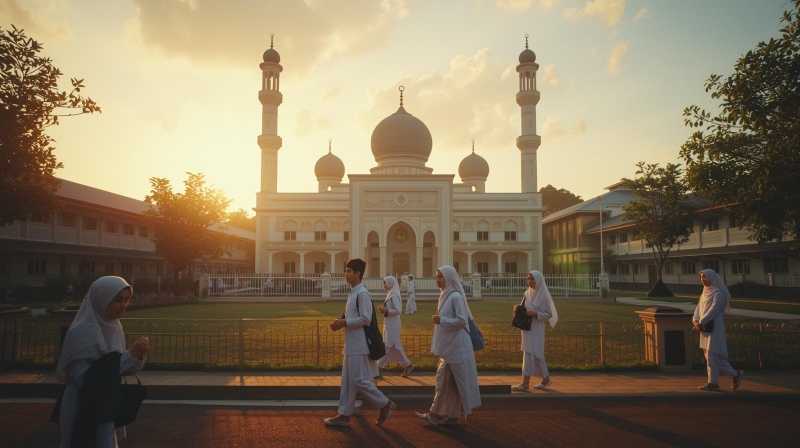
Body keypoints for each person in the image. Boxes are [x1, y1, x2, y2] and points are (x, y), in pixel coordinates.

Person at [54, 276, 151, 448]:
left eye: (127, 300)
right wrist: (130, 355)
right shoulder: (82, 331)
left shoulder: (114, 326)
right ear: (102, 298)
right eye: (118, 300)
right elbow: (83, 377)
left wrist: (137, 356)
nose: (124, 305)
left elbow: (121, 368)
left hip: (106, 399)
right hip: (84, 402)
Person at [324, 259, 395, 427]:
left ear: (358, 274)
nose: (345, 274)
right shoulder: (353, 292)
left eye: (349, 271)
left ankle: (385, 404)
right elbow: (352, 316)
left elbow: (365, 318)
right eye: (345, 271)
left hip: (359, 344)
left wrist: (345, 323)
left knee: (359, 380)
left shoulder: (362, 293)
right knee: (347, 381)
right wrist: (341, 322)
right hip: (351, 344)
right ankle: (344, 414)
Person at [416, 265, 480, 426]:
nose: (437, 280)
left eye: (440, 277)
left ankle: (434, 415)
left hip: (457, 348)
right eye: (436, 277)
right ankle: (451, 416)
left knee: (446, 381)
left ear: (450, 279)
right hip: (449, 348)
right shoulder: (445, 295)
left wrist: (441, 320)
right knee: (448, 383)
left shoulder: (456, 297)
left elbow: (461, 321)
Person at [693, 269, 744, 391]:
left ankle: (718, 381)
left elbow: (713, 311)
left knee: (713, 357)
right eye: (701, 278)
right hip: (705, 329)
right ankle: (728, 377)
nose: (703, 280)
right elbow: (697, 310)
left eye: (705, 277)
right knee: (711, 357)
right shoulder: (704, 294)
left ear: (712, 278)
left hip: (715, 329)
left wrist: (701, 323)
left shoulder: (718, 294)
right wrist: (695, 321)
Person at [512, 270, 558, 390]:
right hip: (527, 327)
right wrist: (518, 309)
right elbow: (525, 309)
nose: (529, 281)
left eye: (532, 279)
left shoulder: (544, 296)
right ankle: (526, 382)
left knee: (537, 354)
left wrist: (536, 314)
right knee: (527, 352)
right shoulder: (527, 293)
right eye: (528, 278)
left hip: (537, 327)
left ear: (538, 280)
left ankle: (544, 378)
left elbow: (549, 314)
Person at [377, 276, 415, 377]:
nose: (384, 285)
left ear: (390, 283)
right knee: (393, 344)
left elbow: (398, 310)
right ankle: (407, 364)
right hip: (389, 322)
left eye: (385, 283)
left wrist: (386, 311)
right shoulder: (390, 294)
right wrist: (385, 310)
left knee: (389, 344)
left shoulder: (393, 295)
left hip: (393, 324)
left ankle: (378, 367)